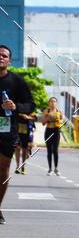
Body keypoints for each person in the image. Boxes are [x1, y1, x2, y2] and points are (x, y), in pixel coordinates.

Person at [0, 44, 35, 224]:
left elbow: (31, 105)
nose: (1, 57)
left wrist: (16, 107)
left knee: (3, 169)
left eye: (4, 56)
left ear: (10, 60)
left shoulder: (17, 81)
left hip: (7, 130)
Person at [41, 97, 64, 175]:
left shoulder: (59, 112)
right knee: (49, 150)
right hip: (48, 131)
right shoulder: (46, 111)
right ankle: (50, 169)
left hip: (56, 131)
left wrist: (59, 121)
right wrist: (47, 118)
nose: (53, 103)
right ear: (49, 103)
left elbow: (62, 121)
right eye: (51, 101)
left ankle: (56, 169)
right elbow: (43, 123)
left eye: (54, 101)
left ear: (56, 103)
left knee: (55, 150)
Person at [15, 105, 36, 174]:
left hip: (26, 129)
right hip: (17, 128)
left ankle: (23, 166)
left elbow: (34, 118)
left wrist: (28, 117)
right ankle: (17, 166)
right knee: (17, 148)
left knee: (24, 149)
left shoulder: (30, 105)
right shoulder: (16, 104)